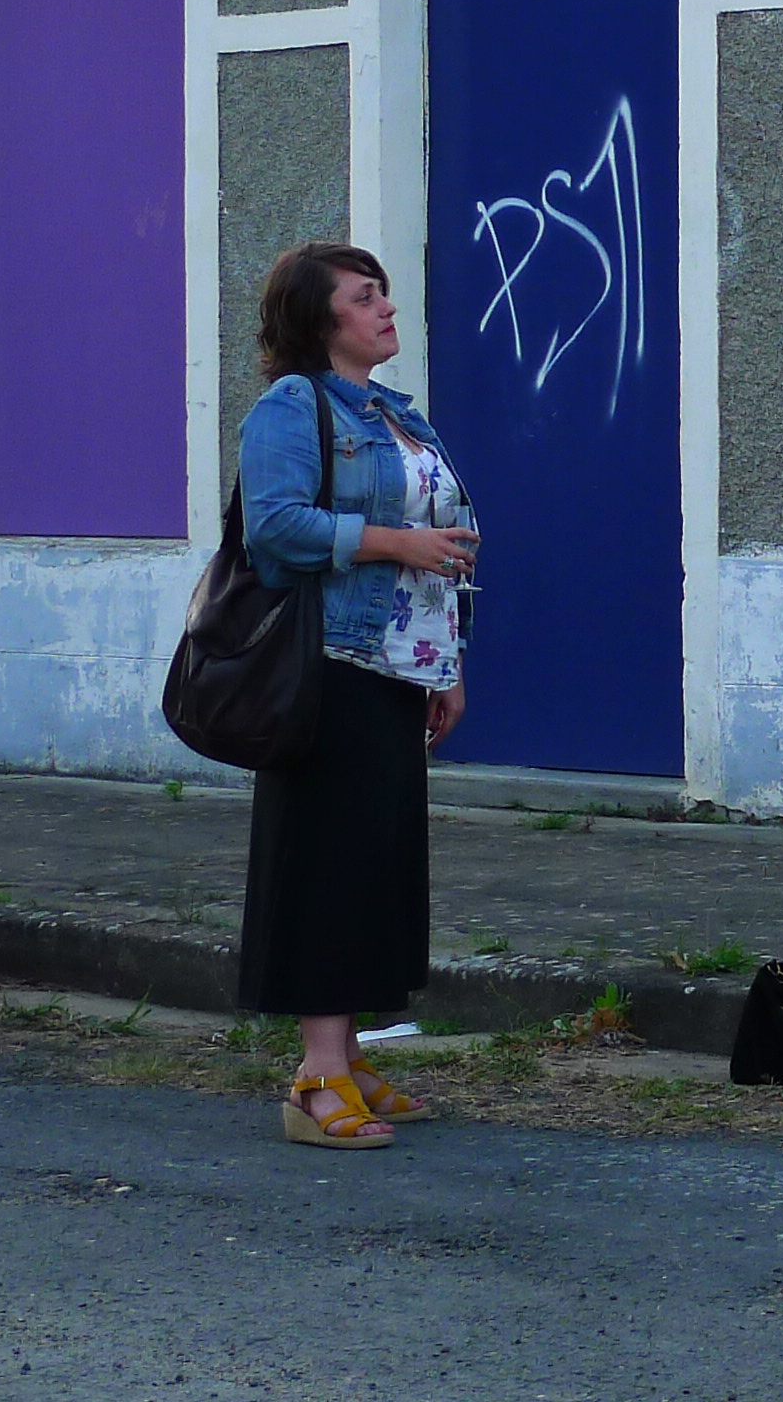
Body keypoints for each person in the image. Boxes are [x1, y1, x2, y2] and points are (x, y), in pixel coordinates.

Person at [235, 243, 479, 1149]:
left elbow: (444, 547)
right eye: (365, 297)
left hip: (400, 666)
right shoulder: (292, 407)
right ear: (319, 319)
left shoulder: (394, 413)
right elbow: (274, 527)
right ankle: (316, 1078)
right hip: (329, 665)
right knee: (327, 869)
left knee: (377, 869)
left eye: (385, 294)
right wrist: (392, 542)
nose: (386, 309)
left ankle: (348, 1059)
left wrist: (446, 667)